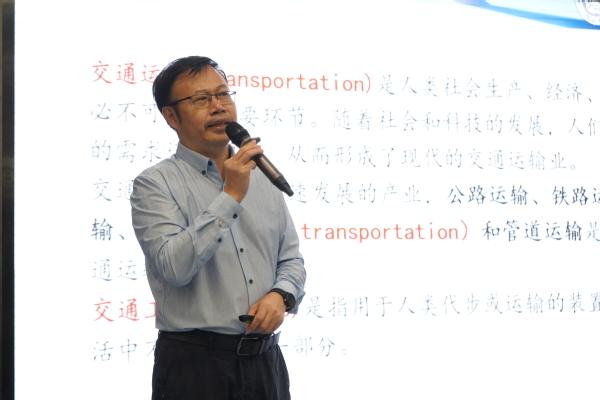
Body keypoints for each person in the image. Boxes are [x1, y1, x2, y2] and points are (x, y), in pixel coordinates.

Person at [130, 56, 306, 400]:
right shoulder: (154, 184)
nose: (218, 106)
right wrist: (231, 195)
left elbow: (291, 260)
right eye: (200, 99)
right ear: (171, 116)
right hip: (195, 365)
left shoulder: (261, 175)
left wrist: (281, 295)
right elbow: (174, 267)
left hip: (266, 360)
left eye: (223, 94)